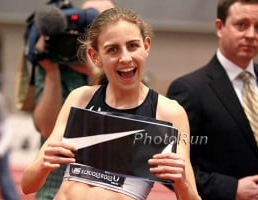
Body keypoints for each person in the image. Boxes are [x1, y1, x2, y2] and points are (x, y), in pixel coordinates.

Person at [21, 7, 201, 200]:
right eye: (112, 49)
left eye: (132, 46)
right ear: (95, 56)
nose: (125, 58)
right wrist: (43, 163)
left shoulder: (169, 113)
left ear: (146, 46)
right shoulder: (80, 99)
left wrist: (182, 182)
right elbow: (27, 185)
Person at [166, 0, 258, 199]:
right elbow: (169, 168)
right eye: (241, 25)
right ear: (220, 27)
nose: (251, 35)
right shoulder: (189, 90)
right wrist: (231, 189)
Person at [30, 1, 115, 199]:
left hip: (106, 192)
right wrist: (51, 70)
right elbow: (47, 129)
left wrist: (95, 73)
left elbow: (120, 125)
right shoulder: (56, 61)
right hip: (55, 190)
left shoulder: (126, 71)